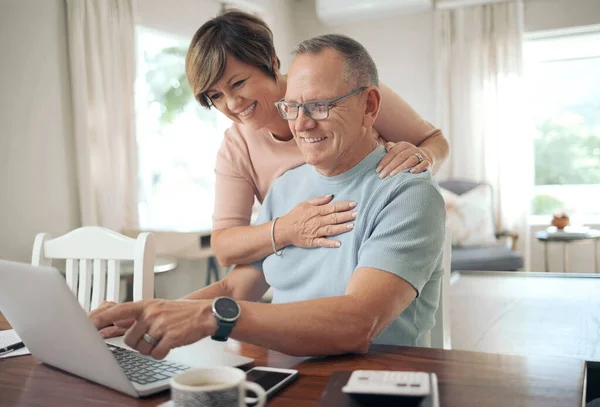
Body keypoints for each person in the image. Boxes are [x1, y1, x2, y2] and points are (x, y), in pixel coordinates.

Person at [91, 34, 446, 360]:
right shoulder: (285, 189)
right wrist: (146, 313)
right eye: (291, 108)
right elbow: (235, 284)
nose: (302, 125)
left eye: (320, 106)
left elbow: (358, 324)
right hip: (281, 375)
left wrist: (215, 317)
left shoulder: (406, 192)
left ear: (369, 107)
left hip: (366, 385)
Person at [184, 10, 450, 266]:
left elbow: (434, 140)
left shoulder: (350, 93)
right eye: (215, 96)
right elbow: (224, 245)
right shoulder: (237, 146)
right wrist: (287, 229)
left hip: (379, 246)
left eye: (238, 83)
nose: (231, 103)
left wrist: (422, 157)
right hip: (312, 267)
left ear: (272, 63)